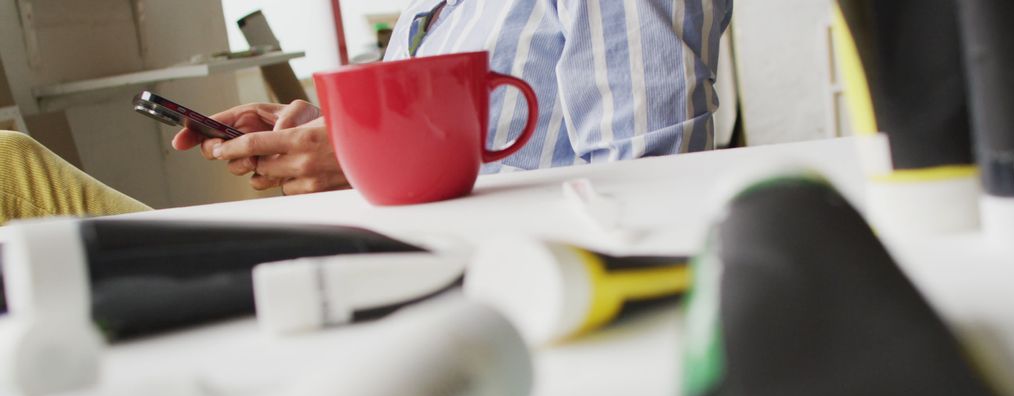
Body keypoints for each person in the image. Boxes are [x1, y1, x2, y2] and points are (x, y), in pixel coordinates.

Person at [1, 0, 732, 224]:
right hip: (390, 256)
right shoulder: (436, 6)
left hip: (456, 289)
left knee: (10, 165)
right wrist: (330, 135)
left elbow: (655, 201)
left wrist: (363, 159)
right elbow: (448, 140)